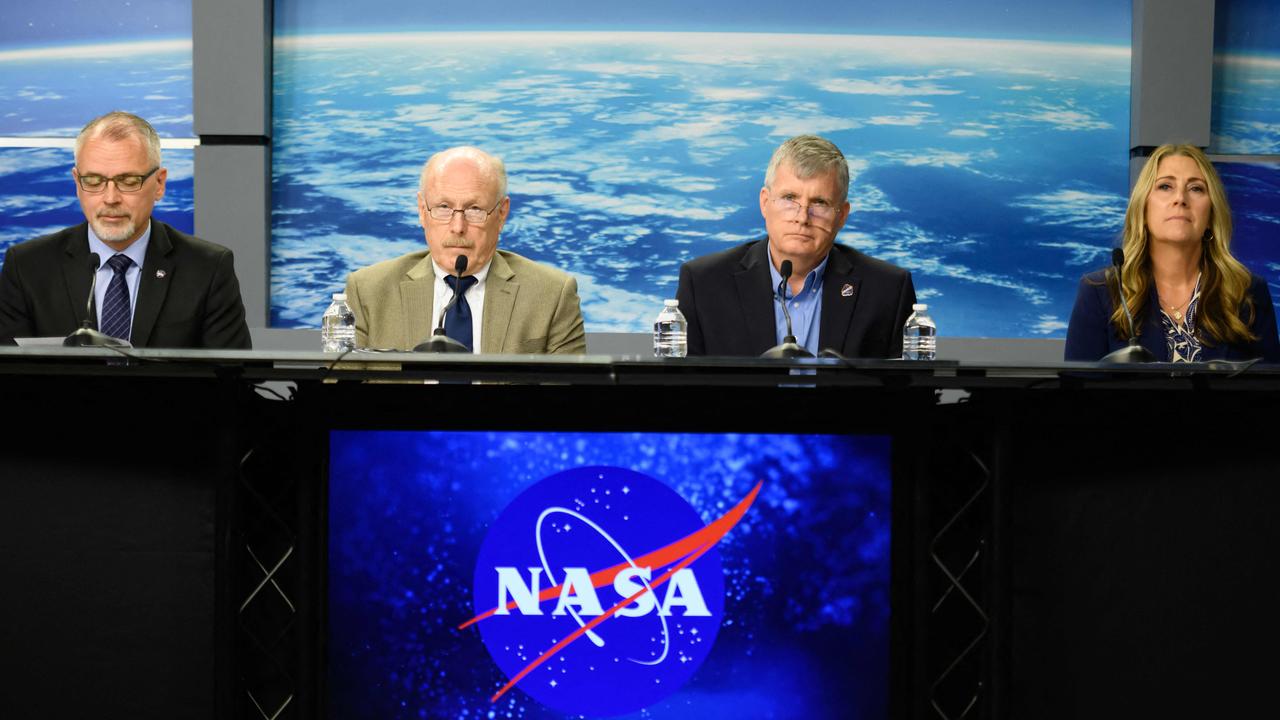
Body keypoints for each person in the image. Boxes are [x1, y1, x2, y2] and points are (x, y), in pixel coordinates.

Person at [0, 111, 251, 349]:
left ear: (160, 184)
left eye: (129, 182)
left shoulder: (207, 269)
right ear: (77, 183)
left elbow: (231, 380)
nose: (110, 198)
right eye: (94, 181)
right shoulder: (28, 267)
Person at [675, 135, 916, 358]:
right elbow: (681, 392)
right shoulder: (704, 283)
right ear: (765, 203)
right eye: (790, 198)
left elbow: (908, 396)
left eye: (819, 202)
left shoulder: (887, 290)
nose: (802, 217)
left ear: (841, 216)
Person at [344, 146, 586, 353]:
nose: (458, 227)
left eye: (475, 209)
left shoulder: (552, 295)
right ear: (421, 210)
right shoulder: (368, 292)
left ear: (502, 214)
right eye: (443, 207)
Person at [1064, 144, 1279, 362]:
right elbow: (1077, 391)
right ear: (1143, 206)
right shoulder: (1100, 292)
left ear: (1212, 214)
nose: (1180, 199)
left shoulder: (1248, 292)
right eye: (1165, 186)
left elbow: (1268, 390)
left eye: (1196, 188)